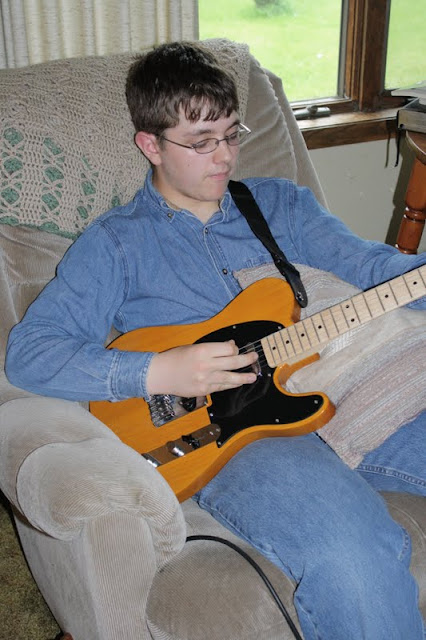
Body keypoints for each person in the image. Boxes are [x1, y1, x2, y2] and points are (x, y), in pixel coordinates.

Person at [5, 41, 426, 639]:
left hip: (349, 389)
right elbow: (30, 354)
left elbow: (374, 268)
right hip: (236, 435)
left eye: (232, 134)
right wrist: (158, 371)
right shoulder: (117, 243)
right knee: (354, 559)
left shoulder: (279, 204)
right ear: (150, 144)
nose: (225, 156)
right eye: (201, 142)